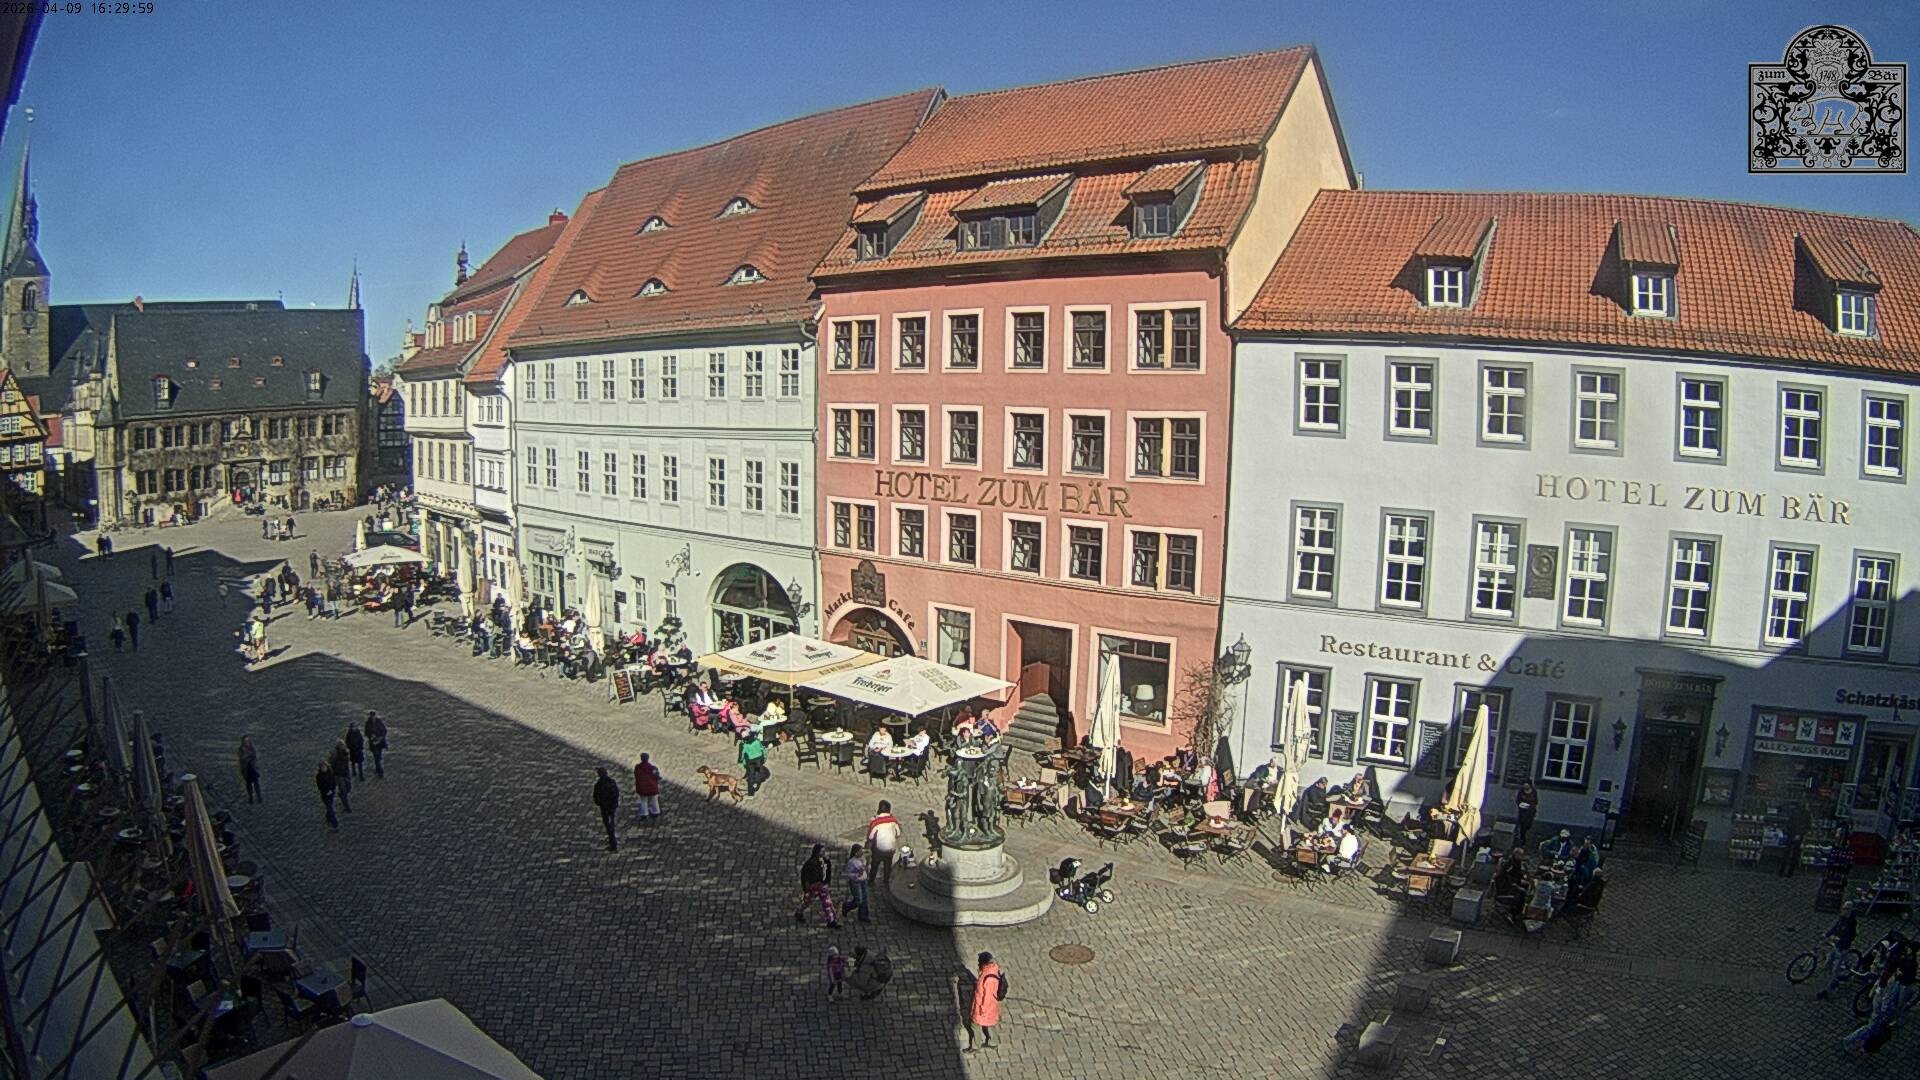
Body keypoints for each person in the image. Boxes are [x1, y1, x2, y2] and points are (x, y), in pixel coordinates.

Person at [1816, 901, 1860, 999]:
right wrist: (1827, 934)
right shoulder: (1842, 918)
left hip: (1843, 948)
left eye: (1845, 909)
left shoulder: (1852, 923)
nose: (1842, 910)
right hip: (1837, 945)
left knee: (1835, 969)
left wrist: (1840, 940)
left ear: (1849, 911)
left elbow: (1851, 937)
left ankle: (1827, 990)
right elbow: (1836, 927)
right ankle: (1827, 979)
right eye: (1843, 908)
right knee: (1829, 961)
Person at [966, 952, 1005, 1052]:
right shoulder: (991, 971)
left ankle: (976, 1045)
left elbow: (987, 997)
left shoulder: (989, 978)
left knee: (975, 1024)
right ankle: (993, 1042)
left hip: (984, 1006)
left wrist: (982, 1010)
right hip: (990, 1006)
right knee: (990, 1023)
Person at [794, 844, 838, 928]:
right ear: (817, 853)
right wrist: (806, 890)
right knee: (807, 901)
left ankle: (831, 920)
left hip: (823, 886)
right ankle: (799, 911)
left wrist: (828, 882)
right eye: (822, 851)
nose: (824, 853)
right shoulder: (810, 864)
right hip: (814, 887)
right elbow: (805, 878)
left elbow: (828, 872)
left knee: (827, 903)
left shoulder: (826, 861)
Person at [868, 801, 902, 889]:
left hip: (879, 849)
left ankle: (871, 879)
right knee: (888, 865)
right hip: (891, 849)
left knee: (875, 864)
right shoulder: (894, 820)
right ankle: (886, 880)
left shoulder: (875, 822)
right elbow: (898, 833)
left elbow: (871, 837)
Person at [1779, 800, 1812, 878]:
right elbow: (1808, 826)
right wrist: (1800, 834)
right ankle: (1790, 873)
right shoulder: (1807, 814)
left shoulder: (1794, 812)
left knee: (1786, 853)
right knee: (1795, 855)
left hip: (1791, 834)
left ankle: (1781, 871)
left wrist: (1791, 832)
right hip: (1799, 836)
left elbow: (1790, 823)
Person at [592, 767, 621, 852]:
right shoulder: (612, 782)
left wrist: (600, 803)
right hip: (612, 806)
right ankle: (612, 841)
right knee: (611, 822)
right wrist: (615, 804)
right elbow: (616, 793)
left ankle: (613, 843)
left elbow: (596, 797)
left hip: (604, 807)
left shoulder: (598, 785)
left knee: (608, 825)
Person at [844, 843, 872, 923]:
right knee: (858, 900)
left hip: (863, 880)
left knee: (865, 899)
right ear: (856, 853)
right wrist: (868, 860)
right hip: (855, 882)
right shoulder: (853, 862)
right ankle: (846, 906)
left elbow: (867, 868)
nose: (862, 852)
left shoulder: (861, 858)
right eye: (860, 851)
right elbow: (863, 868)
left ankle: (863, 915)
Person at [737, 728, 769, 797]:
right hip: (759, 759)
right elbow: (763, 749)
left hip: (751, 761)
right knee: (758, 770)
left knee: (751, 775)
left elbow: (743, 755)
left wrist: (744, 763)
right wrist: (764, 758)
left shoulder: (745, 745)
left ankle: (751, 793)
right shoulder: (757, 741)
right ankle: (758, 780)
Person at [633, 754, 661, 821]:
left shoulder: (637, 767)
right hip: (652, 788)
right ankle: (655, 812)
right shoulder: (653, 768)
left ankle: (644, 813)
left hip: (642, 788)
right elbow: (657, 776)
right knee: (654, 800)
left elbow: (636, 775)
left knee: (643, 801)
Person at [329, 740, 354, 812]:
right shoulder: (335, 754)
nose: (343, 747)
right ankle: (347, 807)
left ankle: (342, 795)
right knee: (343, 791)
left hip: (346, 773)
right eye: (342, 746)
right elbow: (331, 764)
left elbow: (346, 763)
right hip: (338, 775)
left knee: (349, 787)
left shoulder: (345, 753)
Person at [315, 758, 339, 830]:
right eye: (322, 767)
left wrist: (332, 790)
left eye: (324, 767)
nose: (323, 768)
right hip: (325, 795)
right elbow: (320, 786)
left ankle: (328, 818)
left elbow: (333, 783)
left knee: (330, 807)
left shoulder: (330, 773)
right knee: (330, 808)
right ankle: (335, 824)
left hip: (331, 793)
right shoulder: (319, 776)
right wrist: (326, 791)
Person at [237, 735, 262, 804]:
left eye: (248, 741)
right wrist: (248, 757)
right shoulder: (241, 749)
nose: (247, 742)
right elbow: (242, 758)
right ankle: (251, 797)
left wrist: (250, 758)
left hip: (253, 768)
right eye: (245, 741)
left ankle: (259, 797)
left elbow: (254, 756)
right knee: (249, 784)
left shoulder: (251, 748)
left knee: (256, 783)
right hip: (246, 769)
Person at [1514, 781, 1539, 847]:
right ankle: (1522, 840)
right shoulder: (1521, 792)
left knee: (1528, 825)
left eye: (1526, 785)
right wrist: (1520, 804)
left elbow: (1536, 801)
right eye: (1524, 785)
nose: (1525, 787)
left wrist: (1530, 806)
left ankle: (1525, 837)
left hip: (1530, 811)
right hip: (1522, 812)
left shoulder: (1534, 792)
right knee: (1523, 826)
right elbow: (1518, 800)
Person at [364, 711, 388, 777]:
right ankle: (380, 771)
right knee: (376, 756)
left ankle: (378, 768)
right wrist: (371, 736)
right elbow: (366, 732)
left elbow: (384, 730)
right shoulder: (368, 723)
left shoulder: (379, 722)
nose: (373, 717)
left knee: (379, 757)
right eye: (372, 716)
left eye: (374, 716)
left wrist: (381, 737)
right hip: (373, 743)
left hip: (380, 742)